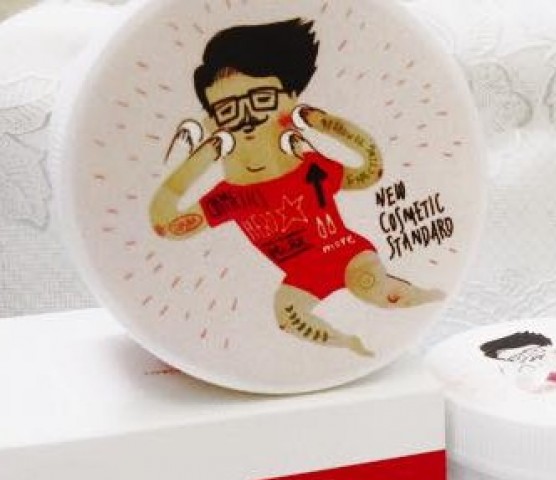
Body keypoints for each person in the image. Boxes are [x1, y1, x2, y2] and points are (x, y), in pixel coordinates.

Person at [149, 18, 444, 357]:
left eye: (262, 99)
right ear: (214, 120)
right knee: (287, 313)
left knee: (372, 287)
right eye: (228, 110)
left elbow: (369, 170)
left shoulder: (310, 169)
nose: (247, 120)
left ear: (290, 98)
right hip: (302, 277)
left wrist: (319, 121)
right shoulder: (227, 198)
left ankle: (427, 297)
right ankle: (347, 345)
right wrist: (203, 157)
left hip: (346, 253)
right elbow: (166, 224)